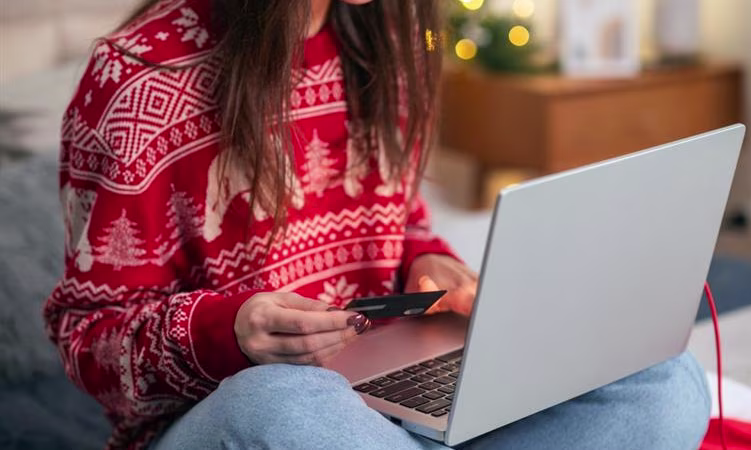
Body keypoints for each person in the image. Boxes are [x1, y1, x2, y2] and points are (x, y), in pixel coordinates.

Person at [44, 0, 711, 448]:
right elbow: (87, 339)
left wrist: (426, 262)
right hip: (260, 417)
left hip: (390, 396)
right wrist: (230, 331)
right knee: (283, 403)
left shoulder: (390, 41)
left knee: (662, 381)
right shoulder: (135, 77)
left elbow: (400, 219)